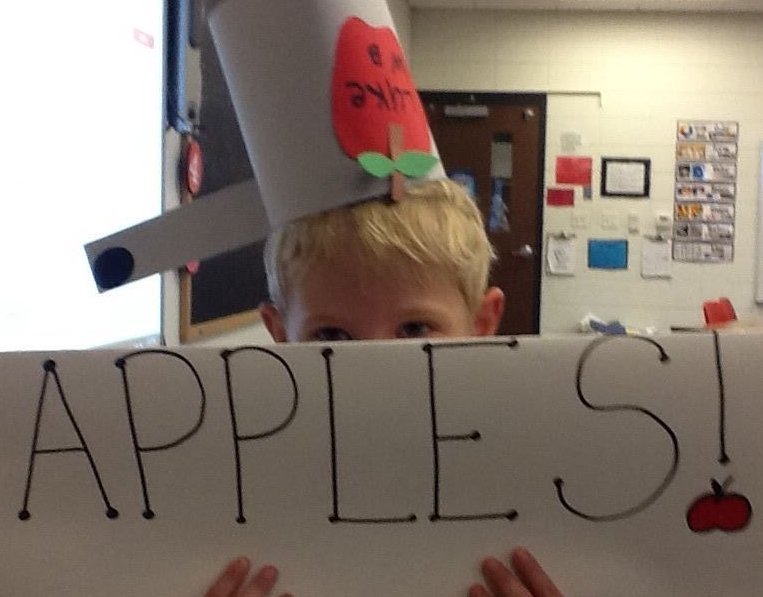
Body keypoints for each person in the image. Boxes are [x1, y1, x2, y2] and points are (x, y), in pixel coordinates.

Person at [205, 179, 562, 596]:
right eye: (332, 335)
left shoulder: (526, 470)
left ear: (481, 323)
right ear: (280, 332)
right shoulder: (247, 482)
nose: (374, 368)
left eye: (414, 328)